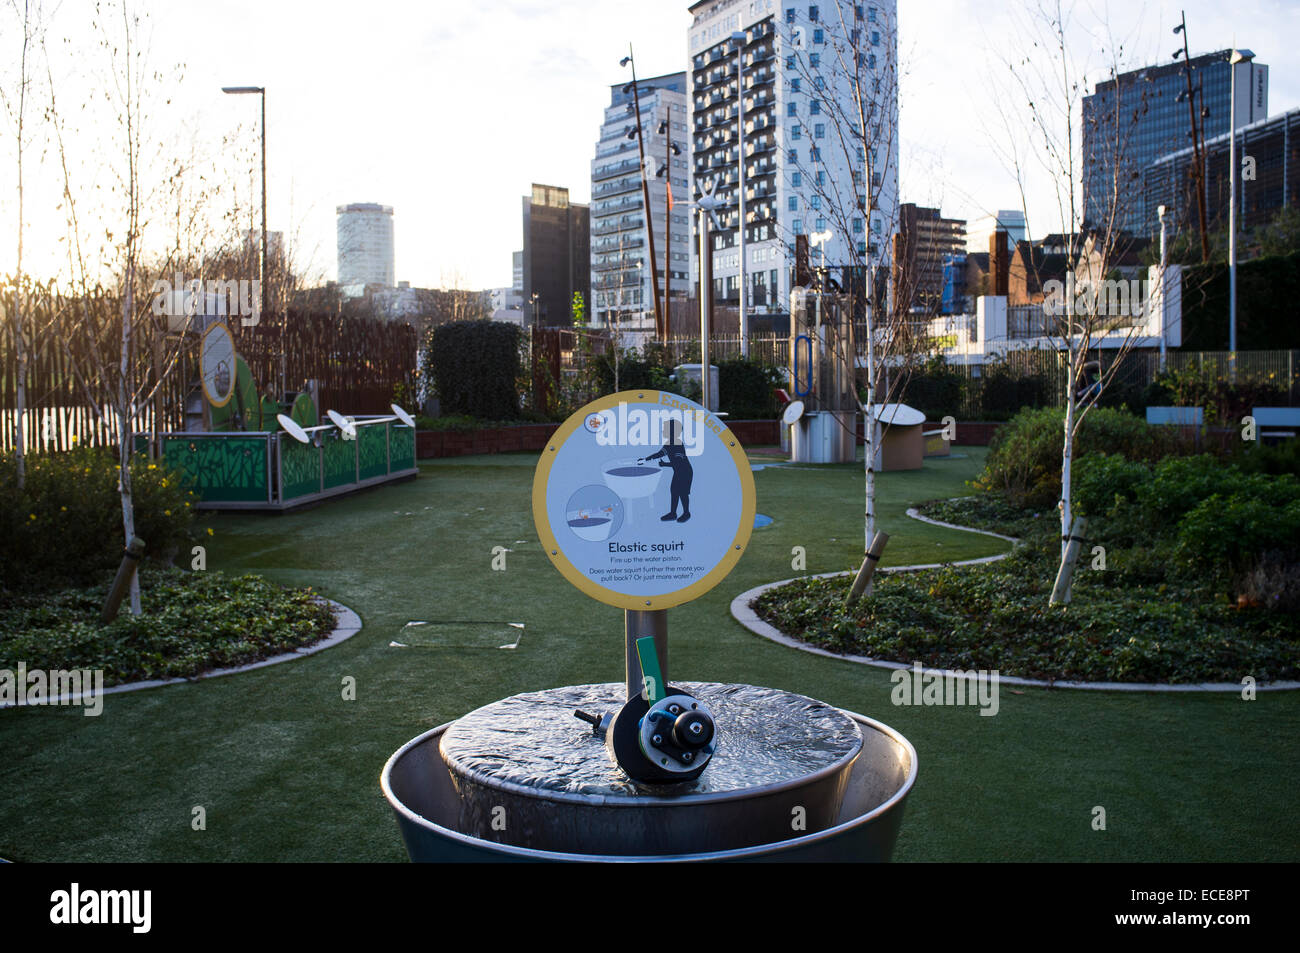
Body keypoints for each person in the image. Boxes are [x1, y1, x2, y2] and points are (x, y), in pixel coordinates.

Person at [640, 419, 693, 523]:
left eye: (665, 429)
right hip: (678, 471)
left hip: (685, 472)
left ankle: (686, 513)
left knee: (682, 493)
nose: (663, 431)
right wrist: (645, 459)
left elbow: (679, 463)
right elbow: (659, 454)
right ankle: (673, 513)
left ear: (672, 431)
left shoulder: (677, 444)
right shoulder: (669, 444)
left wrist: (665, 464)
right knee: (674, 491)